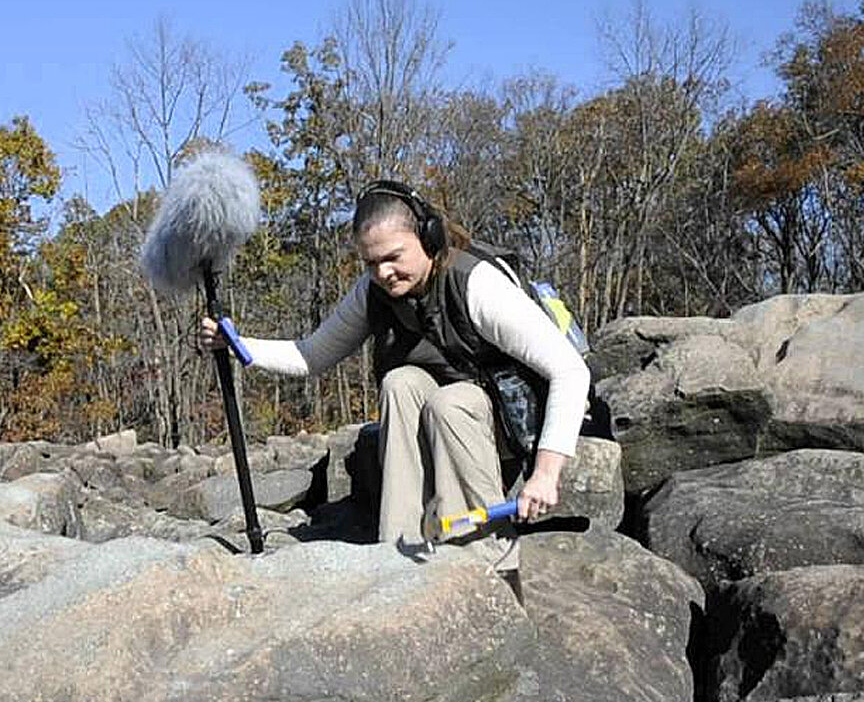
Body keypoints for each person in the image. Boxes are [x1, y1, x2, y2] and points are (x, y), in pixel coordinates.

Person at [199, 180, 590, 592]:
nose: (383, 273)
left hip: (507, 421)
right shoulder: (374, 292)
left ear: (428, 238)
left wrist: (546, 474)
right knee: (401, 382)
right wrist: (239, 345)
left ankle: (489, 563)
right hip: (443, 409)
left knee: (450, 403)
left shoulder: (475, 283)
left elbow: (569, 371)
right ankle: (400, 553)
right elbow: (312, 355)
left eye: (393, 257)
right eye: (371, 263)